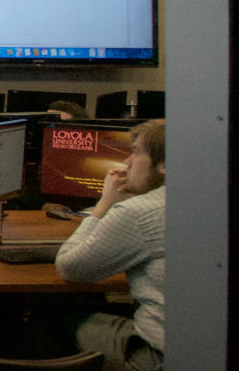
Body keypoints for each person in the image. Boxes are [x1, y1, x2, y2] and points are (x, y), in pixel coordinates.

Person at [54, 119, 165, 371]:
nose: (127, 161)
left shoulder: (139, 211)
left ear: (165, 165)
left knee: (53, 318)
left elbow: (70, 267)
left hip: (157, 356)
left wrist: (103, 206)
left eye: (136, 152)